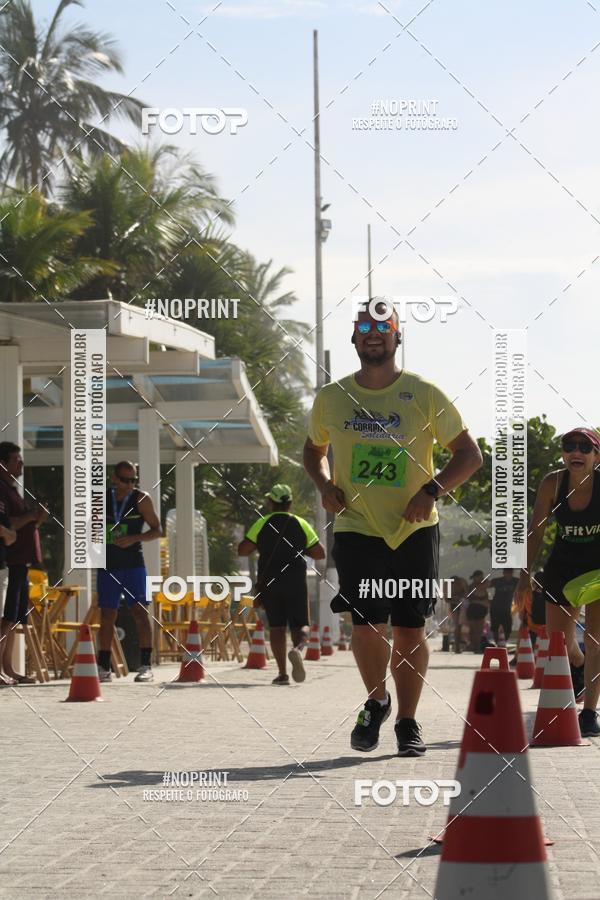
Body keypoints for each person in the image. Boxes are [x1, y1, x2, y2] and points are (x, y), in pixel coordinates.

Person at [303, 299, 482, 756]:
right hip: (357, 526)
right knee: (366, 624)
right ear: (354, 338)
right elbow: (313, 450)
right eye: (364, 326)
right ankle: (377, 700)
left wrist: (431, 491)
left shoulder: (423, 394)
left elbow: (469, 455)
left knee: (408, 629)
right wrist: (324, 483)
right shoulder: (332, 397)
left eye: (383, 326)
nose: (373, 332)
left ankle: (407, 721)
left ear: (398, 336)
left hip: (413, 528)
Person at [514, 427, 600, 737]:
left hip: (598, 566)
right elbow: (535, 531)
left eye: (584, 447)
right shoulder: (553, 482)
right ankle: (579, 666)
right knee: (558, 643)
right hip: (563, 564)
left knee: (595, 639)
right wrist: (524, 578)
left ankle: (589, 712)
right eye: (569, 446)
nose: (576, 452)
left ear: (596, 456)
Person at [238, 484, 325, 685]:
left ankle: (282, 674)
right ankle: (297, 650)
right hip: (295, 581)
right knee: (301, 624)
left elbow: (243, 550)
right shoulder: (301, 523)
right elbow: (319, 553)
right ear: (290, 503)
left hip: (270, 583)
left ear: (271, 502)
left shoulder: (261, 523)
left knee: (277, 627)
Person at [96, 461, 162, 683]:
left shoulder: (141, 499)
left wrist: (134, 538)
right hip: (108, 564)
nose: (130, 484)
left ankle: (145, 665)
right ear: (114, 478)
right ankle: (104, 666)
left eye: (134, 480)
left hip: (134, 563)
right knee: (107, 615)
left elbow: (157, 530)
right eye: (125, 480)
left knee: (140, 613)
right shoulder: (101, 499)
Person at [0, 442, 46, 684]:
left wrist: (37, 520)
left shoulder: (13, 489)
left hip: (22, 563)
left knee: (15, 618)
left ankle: (8, 668)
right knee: (6, 618)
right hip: (11, 561)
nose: (21, 464)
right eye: (16, 460)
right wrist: (30, 516)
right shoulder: (2, 490)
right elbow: (9, 525)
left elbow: (25, 525)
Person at [490, 568, 518, 645]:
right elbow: (485, 586)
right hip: (495, 607)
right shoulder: (497, 581)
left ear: (512, 573)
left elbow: (523, 588)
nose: (508, 574)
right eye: (507, 572)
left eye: (510, 572)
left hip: (507, 608)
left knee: (508, 627)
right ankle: (496, 642)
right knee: (495, 626)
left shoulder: (516, 581)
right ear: (503, 573)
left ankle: (504, 641)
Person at [465, 570, 490, 652]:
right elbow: (468, 598)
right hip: (474, 609)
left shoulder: (484, 585)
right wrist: (481, 602)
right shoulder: (472, 587)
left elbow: (488, 583)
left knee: (478, 630)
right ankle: (475, 646)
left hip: (481, 610)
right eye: (479, 576)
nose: (481, 578)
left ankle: (476, 646)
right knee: (474, 630)